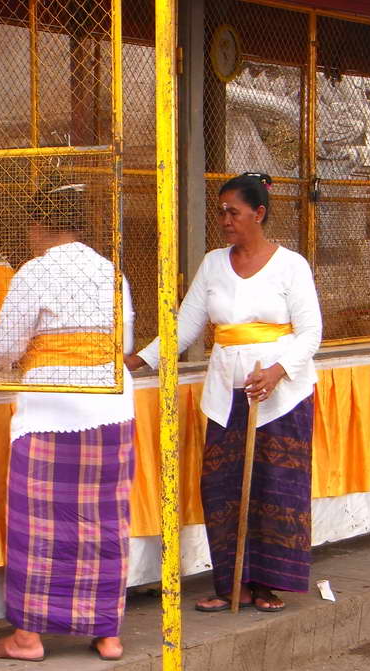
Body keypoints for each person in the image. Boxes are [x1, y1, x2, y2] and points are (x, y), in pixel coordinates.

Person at [126, 172, 322, 612]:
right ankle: (230, 584)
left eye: (233, 212)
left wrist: (277, 371)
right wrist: (139, 360)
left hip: (281, 398)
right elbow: (186, 325)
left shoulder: (291, 265)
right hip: (226, 394)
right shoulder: (214, 263)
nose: (226, 220)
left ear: (259, 214)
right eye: (221, 212)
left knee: (275, 488)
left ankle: (267, 584)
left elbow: (312, 333)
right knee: (222, 487)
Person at [0, 183, 137, 661]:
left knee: (41, 524)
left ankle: (27, 638)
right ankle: (107, 632)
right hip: (111, 408)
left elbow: (4, 347)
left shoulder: (35, 271)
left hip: (52, 409)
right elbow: (123, 338)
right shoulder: (112, 273)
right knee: (105, 523)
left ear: (39, 226)